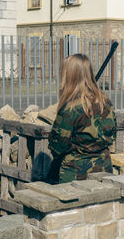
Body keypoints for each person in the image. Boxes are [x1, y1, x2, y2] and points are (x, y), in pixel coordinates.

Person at [48, 53, 117, 184]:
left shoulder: (70, 108)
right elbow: (112, 135)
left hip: (75, 174)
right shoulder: (105, 102)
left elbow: (57, 146)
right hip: (104, 168)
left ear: (69, 76)